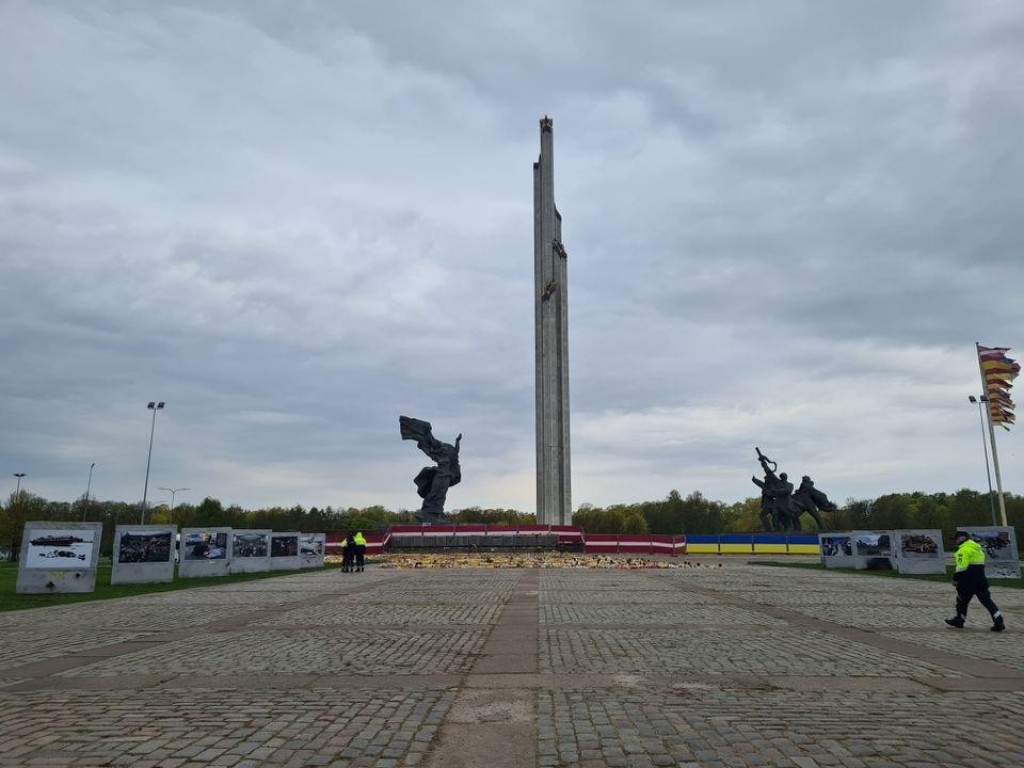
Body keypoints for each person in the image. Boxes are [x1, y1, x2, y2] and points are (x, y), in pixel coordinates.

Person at [945, 530, 1005, 631]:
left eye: (956, 538)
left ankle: (959, 620)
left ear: (962, 538)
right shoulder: (977, 549)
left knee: (961, 601)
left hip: (967, 582)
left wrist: (955, 579)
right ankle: (999, 621)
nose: (955, 541)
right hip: (981, 581)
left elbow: (961, 567)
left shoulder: (962, 551)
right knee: (987, 602)